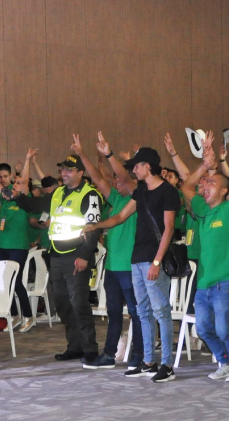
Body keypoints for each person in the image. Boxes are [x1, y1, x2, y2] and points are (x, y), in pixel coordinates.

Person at [85, 136, 180, 380]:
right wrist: (94, 226)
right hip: (137, 259)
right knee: (142, 312)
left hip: (153, 259)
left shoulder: (168, 192)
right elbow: (119, 218)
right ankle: (148, 361)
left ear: (148, 166)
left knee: (161, 312)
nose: (134, 170)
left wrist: (158, 262)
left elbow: (168, 229)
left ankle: (167, 365)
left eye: (137, 165)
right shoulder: (141, 193)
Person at [16, 151, 103, 369]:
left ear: (80, 173)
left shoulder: (89, 195)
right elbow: (33, 206)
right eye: (62, 169)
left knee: (79, 304)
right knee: (63, 304)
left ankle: (90, 349)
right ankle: (74, 346)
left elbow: (92, 229)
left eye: (68, 170)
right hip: (57, 255)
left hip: (76, 256)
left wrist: (84, 256)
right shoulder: (58, 193)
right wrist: (17, 196)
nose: (63, 173)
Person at [180, 137, 229, 384]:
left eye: (212, 183)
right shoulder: (202, 210)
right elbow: (186, 188)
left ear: (223, 191)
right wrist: (204, 165)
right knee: (203, 329)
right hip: (204, 282)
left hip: (226, 281)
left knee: (223, 328)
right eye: (206, 183)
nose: (206, 185)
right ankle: (224, 362)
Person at [75, 133, 144, 372]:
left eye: (121, 181)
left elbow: (125, 180)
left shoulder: (138, 197)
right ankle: (109, 355)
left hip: (130, 266)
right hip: (113, 267)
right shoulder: (115, 197)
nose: (117, 183)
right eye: (115, 180)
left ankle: (138, 356)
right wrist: (82, 153)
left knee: (137, 313)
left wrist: (109, 153)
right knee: (114, 313)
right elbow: (95, 176)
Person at [0, 148, 35, 332]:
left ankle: (29, 316)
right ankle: (14, 315)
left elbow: (25, 180)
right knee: (5, 282)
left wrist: (28, 160)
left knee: (17, 281)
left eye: (17, 185)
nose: (13, 186)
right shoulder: (5, 199)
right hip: (3, 245)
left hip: (18, 246)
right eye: (13, 184)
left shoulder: (24, 201)